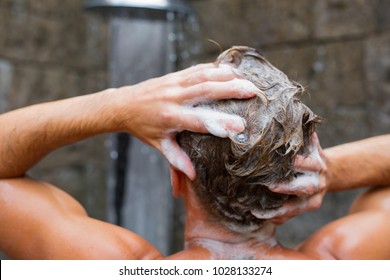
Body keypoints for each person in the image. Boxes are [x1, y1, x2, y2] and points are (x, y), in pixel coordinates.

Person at [0, 48, 388, 259]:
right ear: (289, 185)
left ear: (176, 173)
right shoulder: (346, 260)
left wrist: (118, 104)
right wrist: (327, 171)